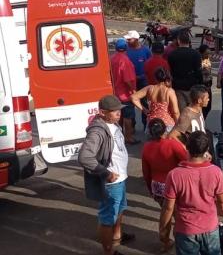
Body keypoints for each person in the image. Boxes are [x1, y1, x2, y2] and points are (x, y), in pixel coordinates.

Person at [78, 95, 135, 255]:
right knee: (107, 217)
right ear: (102, 112)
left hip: (121, 178)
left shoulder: (113, 123)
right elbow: (84, 157)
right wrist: (106, 173)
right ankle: (108, 251)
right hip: (112, 182)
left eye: (119, 110)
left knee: (120, 208)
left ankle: (117, 236)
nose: (119, 113)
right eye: (114, 111)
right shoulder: (97, 131)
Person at [160, 131, 223, 255]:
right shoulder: (216, 172)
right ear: (207, 149)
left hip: (185, 231)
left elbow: (168, 208)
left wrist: (163, 230)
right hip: (210, 228)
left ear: (187, 148)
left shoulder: (174, 175)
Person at [142, 118, 189, 253]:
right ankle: (180, 240)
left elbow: (146, 173)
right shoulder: (172, 144)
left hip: (157, 186)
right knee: (178, 216)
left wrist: (151, 189)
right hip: (174, 185)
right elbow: (187, 161)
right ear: (165, 129)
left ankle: (165, 241)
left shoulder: (146, 148)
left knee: (165, 213)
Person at [130, 68, 180, 134]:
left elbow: (133, 97)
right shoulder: (169, 91)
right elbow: (175, 112)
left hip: (152, 123)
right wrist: (178, 126)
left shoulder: (150, 88)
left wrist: (144, 110)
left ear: (156, 78)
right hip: (167, 123)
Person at [110, 38, 137, 144]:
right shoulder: (125, 61)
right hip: (125, 94)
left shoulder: (112, 59)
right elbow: (127, 80)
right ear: (126, 48)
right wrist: (133, 90)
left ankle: (119, 134)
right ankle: (128, 137)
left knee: (118, 115)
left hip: (115, 92)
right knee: (128, 116)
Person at [168, 30, 203, 111]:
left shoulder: (172, 54)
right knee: (194, 111)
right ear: (189, 41)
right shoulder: (196, 54)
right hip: (192, 86)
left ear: (178, 41)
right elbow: (198, 71)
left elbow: (171, 71)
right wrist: (201, 84)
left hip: (178, 86)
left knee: (182, 112)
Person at [198, 44, 213, 118]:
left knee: (208, 106)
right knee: (202, 106)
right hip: (202, 86)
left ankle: (203, 122)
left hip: (208, 86)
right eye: (206, 53)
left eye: (209, 53)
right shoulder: (198, 61)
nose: (208, 55)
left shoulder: (207, 60)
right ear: (201, 53)